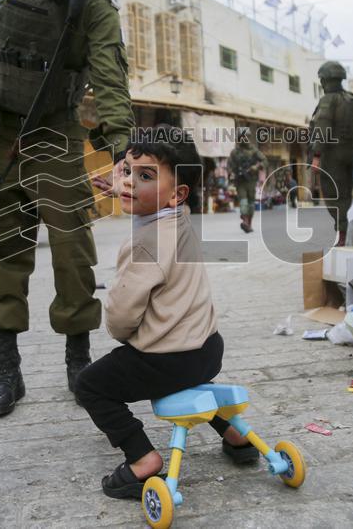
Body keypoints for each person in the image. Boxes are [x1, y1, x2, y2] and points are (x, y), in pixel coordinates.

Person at [0, 0, 134, 419]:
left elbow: (110, 78)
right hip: (0, 132)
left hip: (57, 131)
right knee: (3, 249)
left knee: (72, 250)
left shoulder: (96, 2)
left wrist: (122, 150)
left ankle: (78, 362)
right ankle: (6, 370)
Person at [78, 125, 258, 500]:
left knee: (90, 385)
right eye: (127, 171)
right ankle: (236, 435)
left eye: (144, 176)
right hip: (208, 351)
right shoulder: (181, 217)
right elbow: (151, 204)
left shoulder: (145, 244)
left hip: (169, 360)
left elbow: (121, 318)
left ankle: (142, 458)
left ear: (176, 193)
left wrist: (123, 333)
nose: (129, 182)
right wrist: (126, 187)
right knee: (188, 383)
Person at [308, 61, 353, 247]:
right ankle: (347, 231)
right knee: (346, 194)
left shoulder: (328, 100)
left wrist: (316, 156)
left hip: (332, 155)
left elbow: (323, 128)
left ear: (324, 81)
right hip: (351, 153)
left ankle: (343, 235)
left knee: (334, 195)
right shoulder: (351, 99)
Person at [227, 133, 266, 233]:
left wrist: (256, 167)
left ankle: (249, 224)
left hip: (251, 180)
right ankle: (244, 221)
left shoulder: (254, 151)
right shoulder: (235, 152)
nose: (244, 139)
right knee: (243, 202)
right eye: (241, 138)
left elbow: (265, 161)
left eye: (245, 137)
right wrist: (231, 173)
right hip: (240, 180)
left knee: (251, 204)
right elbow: (229, 165)